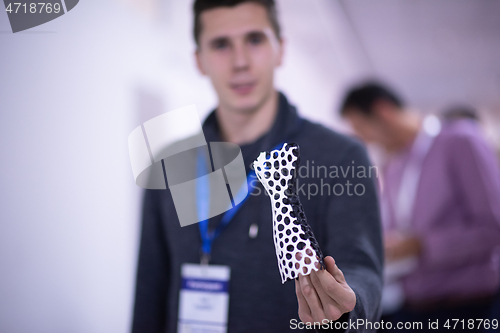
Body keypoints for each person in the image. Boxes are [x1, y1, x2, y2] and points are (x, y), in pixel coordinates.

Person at [132, 1, 383, 332]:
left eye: (255, 40)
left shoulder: (339, 156)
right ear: (199, 61)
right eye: (221, 44)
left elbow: (362, 269)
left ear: (280, 50)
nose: (240, 62)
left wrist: (348, 304)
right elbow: (150, 292)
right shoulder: (170, 165)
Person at [340, 82, 500, 332]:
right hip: (414, 308)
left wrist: (422, 245)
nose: (365, 140)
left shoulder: (459, 141)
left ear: (383, 112)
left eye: (362, 128)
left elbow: (492, 228)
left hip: (468, 308)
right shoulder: (393, 166)